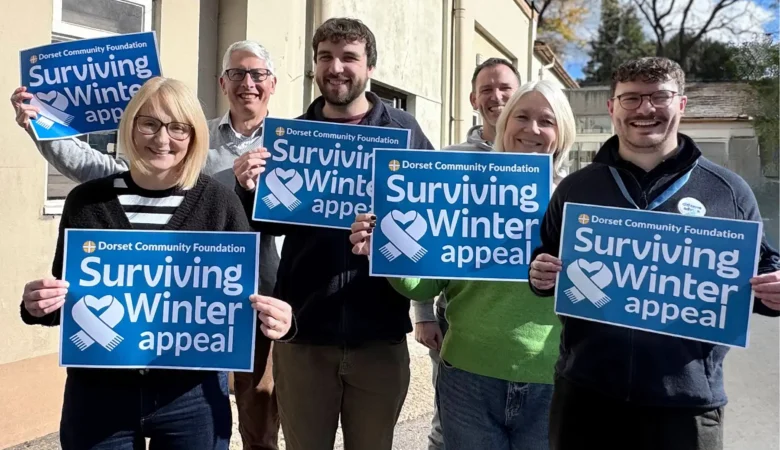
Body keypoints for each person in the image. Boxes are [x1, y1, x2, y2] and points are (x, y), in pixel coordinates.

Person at [10, 40, 283, 450]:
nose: (163, 139)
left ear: (194, 136)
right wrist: (39, 307)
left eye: (177, 128)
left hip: (191, 397)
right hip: (99, 396)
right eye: (149, 123)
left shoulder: (218, 201)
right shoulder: (88, 201)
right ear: (130, 126)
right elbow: (69, 298)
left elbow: (242, 297)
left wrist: (280, 319)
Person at [528, 57, 780, 450]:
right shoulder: (577, 190)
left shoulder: (728, 192)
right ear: (612, 107)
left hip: (686, 404)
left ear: (681, 104)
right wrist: (538, 275)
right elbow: (545, 264)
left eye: (659, 97)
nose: (644, 109)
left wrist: (775, 291)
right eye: (630, 99)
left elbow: (764, 269)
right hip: (586, 395)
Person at [232, 18, 434, 450]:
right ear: (314, 65)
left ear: (370, 67)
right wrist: (248, 189)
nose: (336, 67)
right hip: (304, 332)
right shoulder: (291, 137)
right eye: (325, 57)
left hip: (379, 333)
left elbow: (430, 225)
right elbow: (270, 224)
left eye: (349, 57)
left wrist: (387, 243)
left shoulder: (404, 133)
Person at [349, 79, 576, 450]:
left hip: (550, 380)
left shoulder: (578, 200)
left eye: (546, 120)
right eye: (522, 116)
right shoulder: (464, 190)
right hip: (469, 377)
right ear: (505, 125)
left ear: (561, 131)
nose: (532, 129)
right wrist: (386, 252)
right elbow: (425, 286)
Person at [412, 57, 521, 450]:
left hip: (519, 324)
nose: (497, 96)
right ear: (473, 99)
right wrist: (424, 315)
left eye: (505, 87)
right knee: (449, 424)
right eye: (487, 89)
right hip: (459, 316)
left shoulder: (543, 159)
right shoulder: (448, 160)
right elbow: (428, 240)